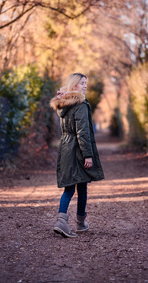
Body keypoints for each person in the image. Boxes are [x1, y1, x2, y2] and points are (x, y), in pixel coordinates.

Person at [49, 73, 105, 238]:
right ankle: (72, 222)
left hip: (66, 148)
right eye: (82, 83)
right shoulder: (80, 105)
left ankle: (70, 222)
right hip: (78, 150)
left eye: (86, 83)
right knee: (81, 187)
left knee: (73, 186)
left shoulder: (64, 104)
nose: (85, 86)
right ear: (74, 86)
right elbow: (83, 133)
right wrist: (88, 155)